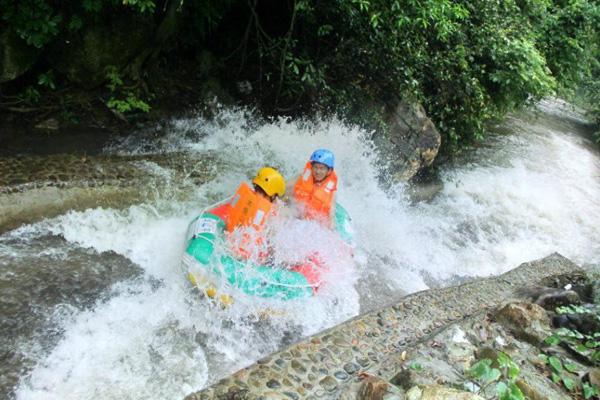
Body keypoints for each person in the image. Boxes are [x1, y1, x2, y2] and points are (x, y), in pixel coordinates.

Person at [212, 167, 286, 261]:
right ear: (272, 195)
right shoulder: (268, 213)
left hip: (225, 242)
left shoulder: (244, 197)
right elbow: (271, 243)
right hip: (244, 258)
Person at [291, 149, 338, 227]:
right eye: (315, 167)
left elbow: (331, 215)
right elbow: (285, 190)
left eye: (322, 168)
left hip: (314, 223)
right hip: (297, 214)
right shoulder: (302, 177)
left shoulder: (332, 192)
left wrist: (331, 228)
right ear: (311, 167)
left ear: (329, 171)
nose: (318, 172)